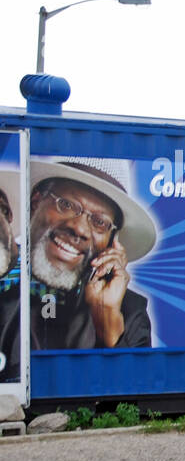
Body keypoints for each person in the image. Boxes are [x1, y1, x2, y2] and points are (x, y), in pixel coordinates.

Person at [0, 158, 155, 381]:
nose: (79, 228)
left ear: (112, 243)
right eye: (66, 205)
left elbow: (135, 399)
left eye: (100, 222)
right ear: (35, 203)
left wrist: (108, 320)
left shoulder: (129, 312)